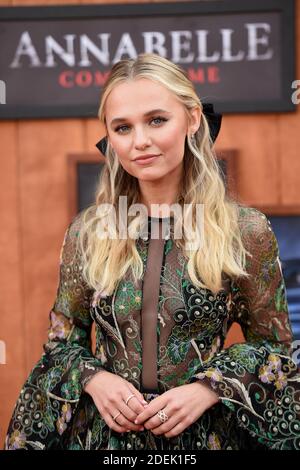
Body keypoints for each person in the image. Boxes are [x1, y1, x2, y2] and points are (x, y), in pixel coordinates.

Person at [5, 53, 300, 451]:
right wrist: (96, 379)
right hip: (106, 441)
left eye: (156, 120)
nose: (139, 140)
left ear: (192, 120)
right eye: (122, 127)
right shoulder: (89, 232)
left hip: (204, 438)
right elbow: (62, 343)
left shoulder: (245, 231)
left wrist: (210, 387)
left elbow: (275, 350)